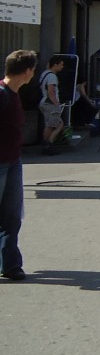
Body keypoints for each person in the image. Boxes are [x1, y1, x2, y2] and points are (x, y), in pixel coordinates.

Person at [1, 50, 39, 281]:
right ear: (26, 71)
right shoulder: (2, 94)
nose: (34, 74)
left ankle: (11, 264)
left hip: (13, 161)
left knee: (12, 216)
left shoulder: (13, 93)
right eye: (33, 69)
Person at [38, 55, 66, 154]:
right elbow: (51, 92)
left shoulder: (44, 74)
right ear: (55, 65)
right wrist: (57, 104)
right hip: (50, 103)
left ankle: (47, 144)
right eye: (61, 65)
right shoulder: (52, 77)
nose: (62, 67)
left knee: (52, 124)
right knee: (56, 125)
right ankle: (48, 143)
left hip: (44, 102)